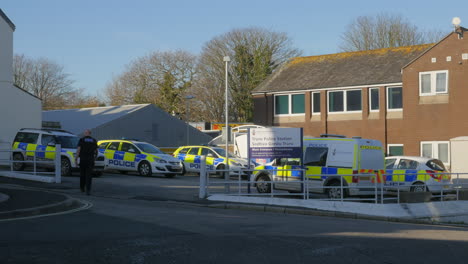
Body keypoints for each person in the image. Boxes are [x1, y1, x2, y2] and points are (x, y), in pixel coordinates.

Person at [76, 129, 98, 195]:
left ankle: (82, 188)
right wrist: (94, 158)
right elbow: (96, 151)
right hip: (90, 160)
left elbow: (78, 150)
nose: (84, 133)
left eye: (84, 132)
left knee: (82, 174)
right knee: (89, 175)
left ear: (86, 133)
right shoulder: (94, 140)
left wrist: (76, 159)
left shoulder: (82, 140)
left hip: (83, 159)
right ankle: (88, 190)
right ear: (90, 134)